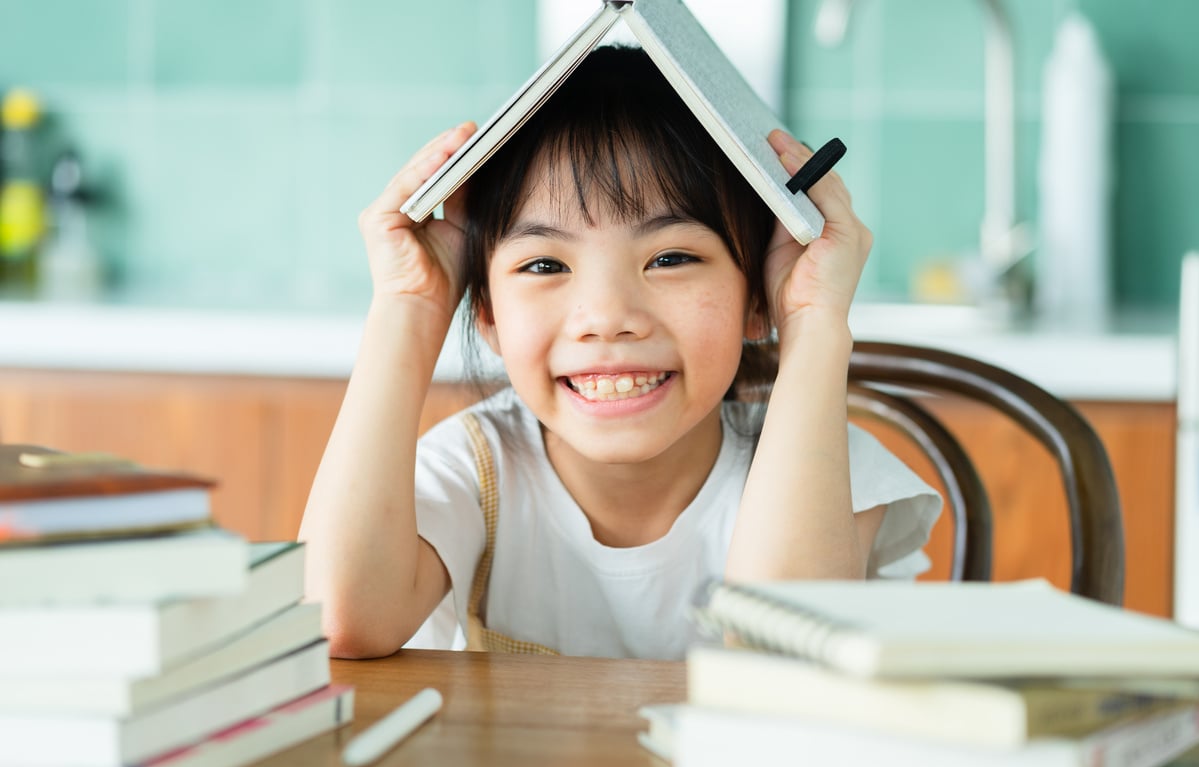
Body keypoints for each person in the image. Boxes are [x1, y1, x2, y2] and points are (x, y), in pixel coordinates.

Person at [298, 46, 941, 660]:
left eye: (670, 258)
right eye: (546, 263)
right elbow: (335, 621)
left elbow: (785, 650)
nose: (607, 318)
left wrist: (813, 323)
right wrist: (409, 305)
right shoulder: (475, 469)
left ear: (755, 300)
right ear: (487, 310)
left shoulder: (830, 471)